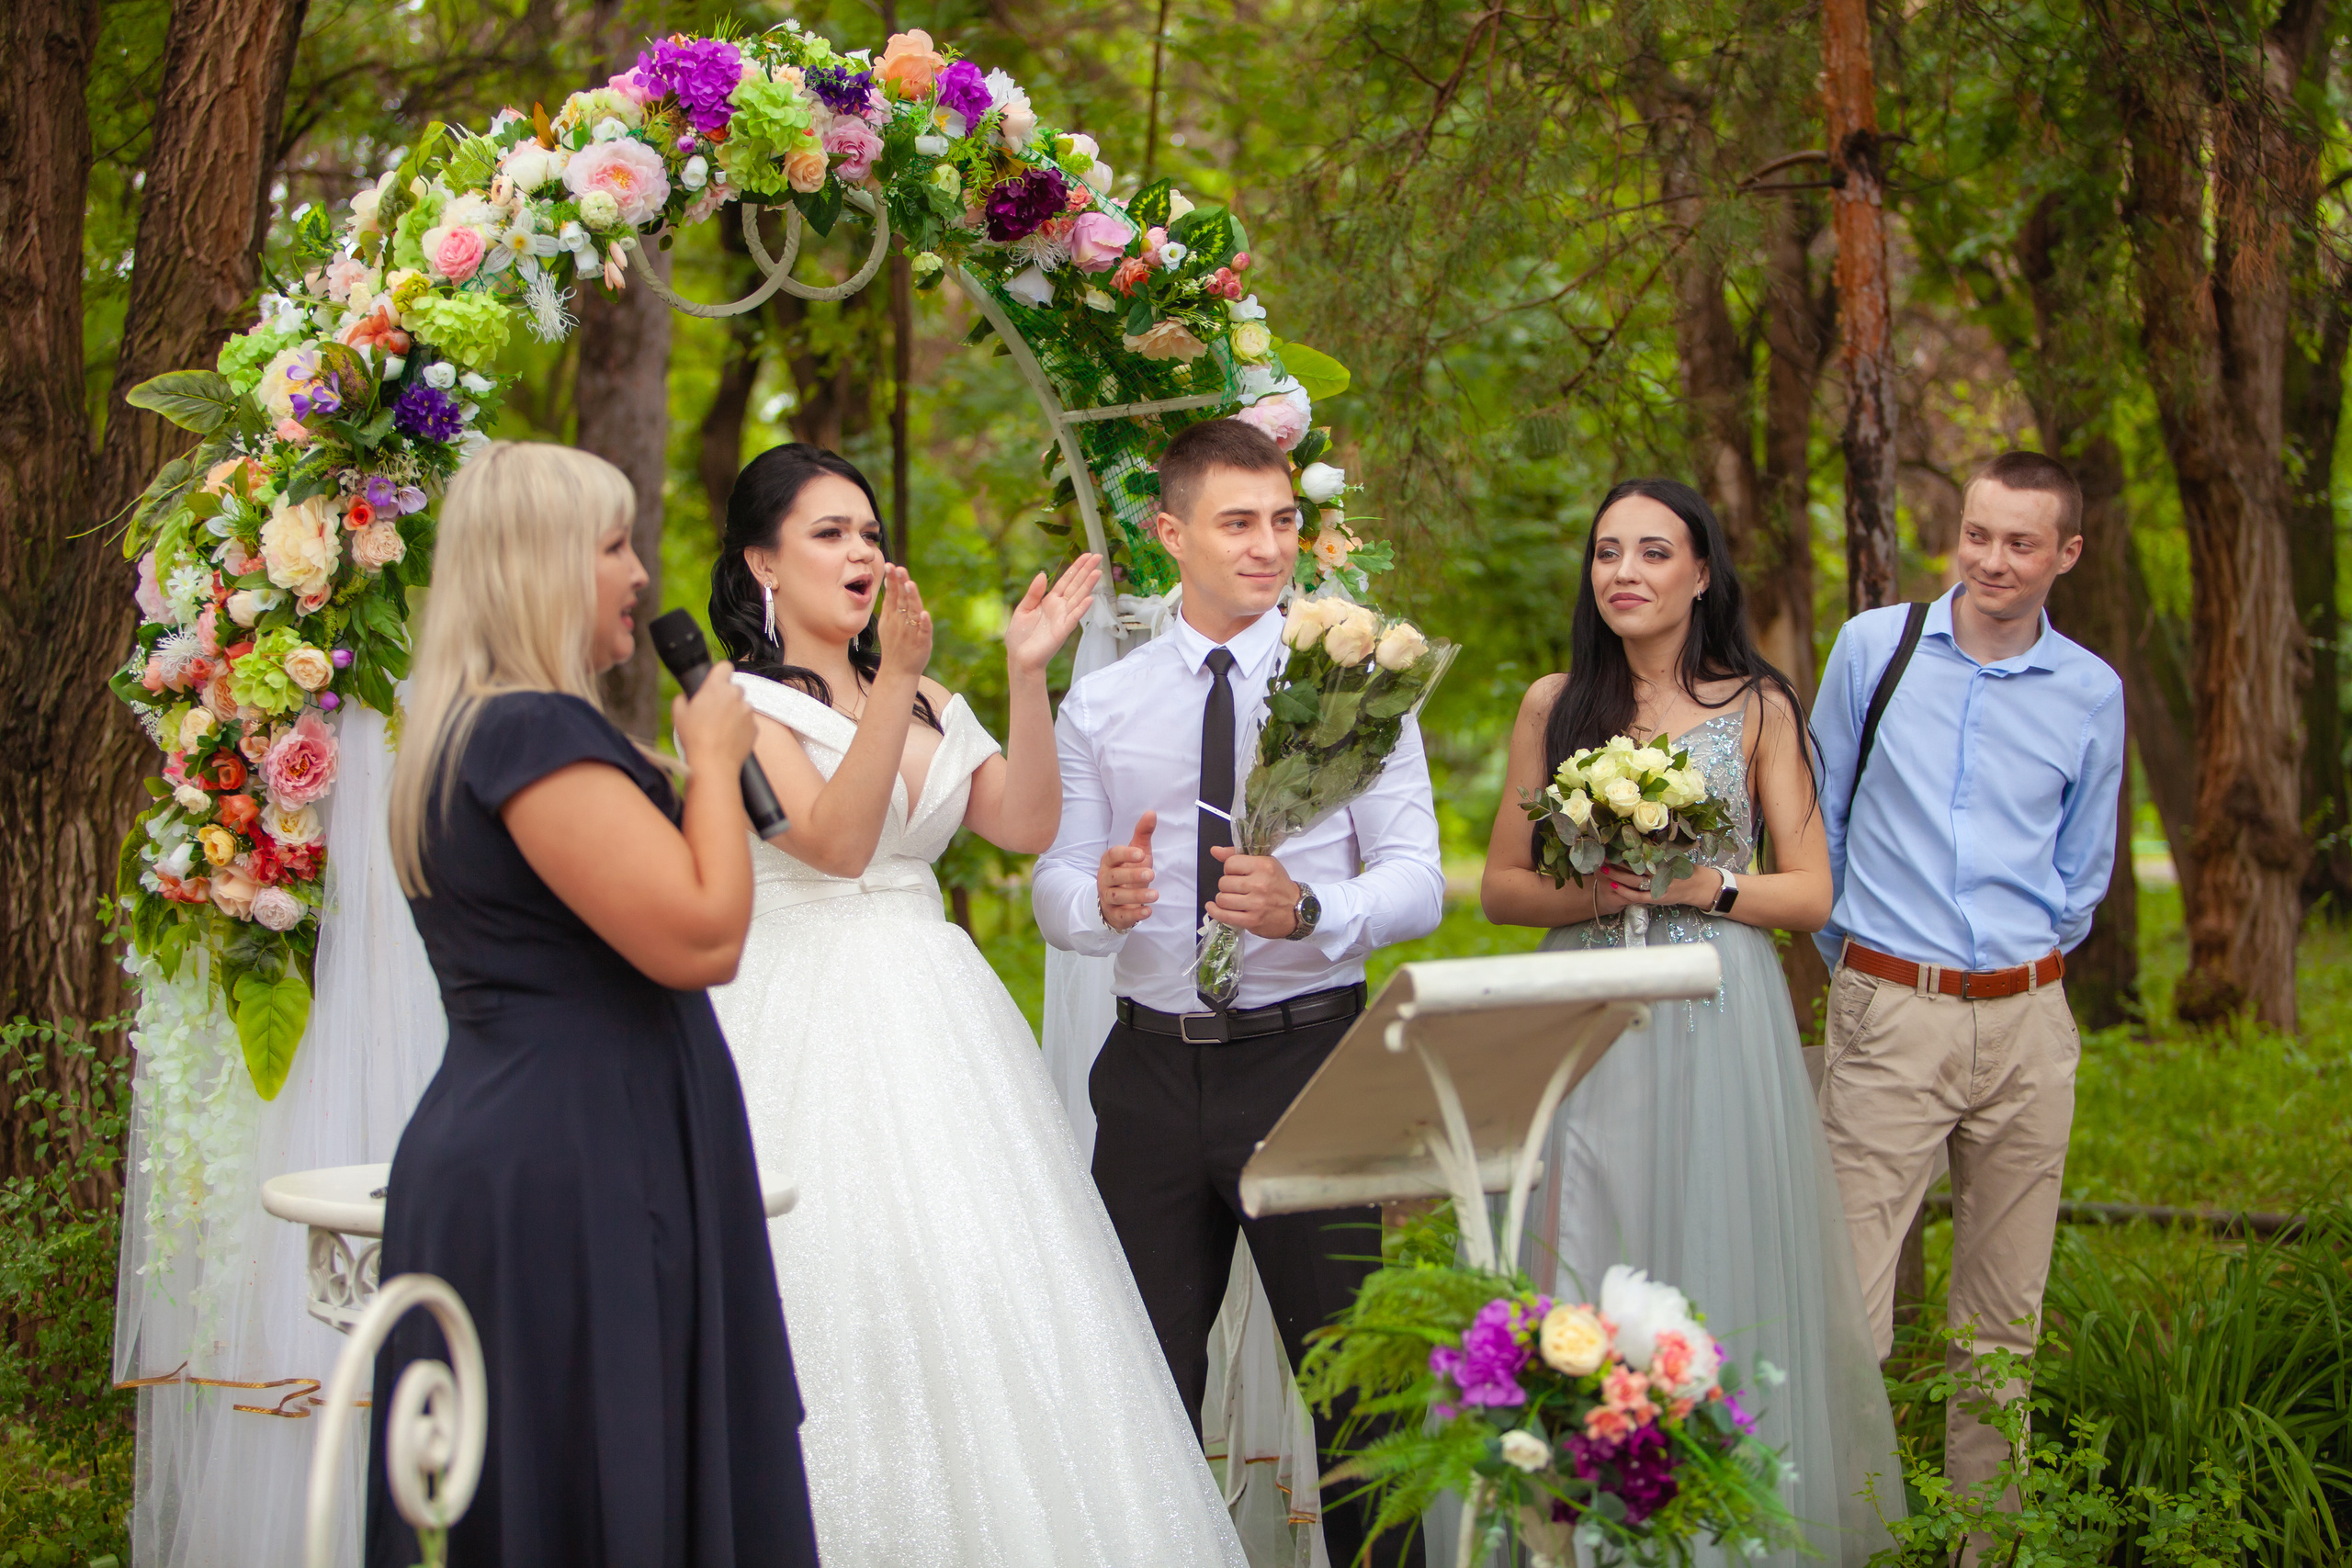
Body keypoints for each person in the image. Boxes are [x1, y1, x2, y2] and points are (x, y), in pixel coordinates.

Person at [701, 442, 1248, 1568]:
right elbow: (839, 845)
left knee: (982, 1277)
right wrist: (893, 678)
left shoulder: (934, 696)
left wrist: (1026, 677)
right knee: (845, 1280)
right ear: (760, 559)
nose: (861, 553)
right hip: (804, 1010)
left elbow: (1028, 824)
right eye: (828, 534)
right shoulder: (732, 708)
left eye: (868, 532)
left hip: (936, 1010)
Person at [374, 442, 817, 1566]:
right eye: (614, 547)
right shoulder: (527, 732)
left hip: (562, 1139)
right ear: (541, 566)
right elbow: (702, 936)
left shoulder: (472, 729)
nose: (637, 575)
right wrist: (713, 762)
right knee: (584, 1477)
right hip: (569, 1172)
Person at [1035, 418, 1445, 1568]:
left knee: (1362, 1398)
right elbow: (1055, 883)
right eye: (1237, 524)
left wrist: (1315, 915)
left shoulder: (1363, 687)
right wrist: (1096, 903)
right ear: (1170, 534)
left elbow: (1419, 880)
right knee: (1144, 1389)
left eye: (1280, 523)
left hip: (1311, 1064)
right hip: (1152, 1073)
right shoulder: (1103, 708)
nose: (1268, 548)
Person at [1479, 479, 1898, 1566]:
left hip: (1716, 1008)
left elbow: (1810, 894)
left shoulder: (1756, 707)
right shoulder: (1552, 703)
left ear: (1701, 574)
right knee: (1578, 1248)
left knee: (1704, 1237)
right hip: (1578, 1011)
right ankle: (1569, 1525)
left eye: (1653, 552)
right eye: (1607, 551)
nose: (1624, 572)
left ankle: (1716, 1535)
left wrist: (1703, 889)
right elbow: (1500, 888)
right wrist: (1598, 893)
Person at [1812, 450, 2123, 1516]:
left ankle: (1983, 1543)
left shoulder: (2091, 692)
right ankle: (1841, 1531)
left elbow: (2083, 870)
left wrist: (2022, 968)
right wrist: (1865, 967)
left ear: (2065, 554)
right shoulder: (1874, 649)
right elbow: (1822, 817)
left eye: (2020, 542)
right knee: (1846, 1307)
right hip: (1890, 1010)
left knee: (2002, 1316)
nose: (1991, 560)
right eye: (1977, 535)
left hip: (2030, 1023)